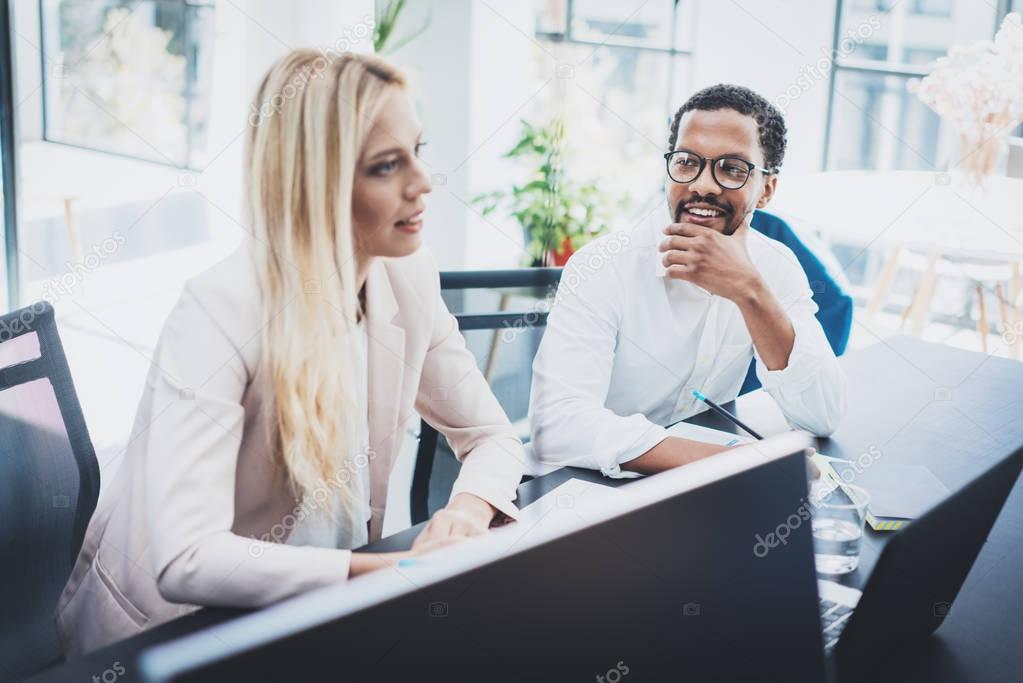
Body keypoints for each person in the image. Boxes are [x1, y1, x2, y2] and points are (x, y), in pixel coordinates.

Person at [56, 50, 525, 655]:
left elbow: (492, 435)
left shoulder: (405, 277)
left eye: (419, 150)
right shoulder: (218, 310)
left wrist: (467, 510)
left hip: (316, 612)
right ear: (317, 185)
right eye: (387, 166)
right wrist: (387, 574)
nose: (423, 181)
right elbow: (187, 559)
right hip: (172, 634)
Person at [529, 84, 846, 478]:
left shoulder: (775, 267)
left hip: (694, 490)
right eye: (686, 162)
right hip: (587, 484)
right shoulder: (603, 267)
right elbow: (556, 426)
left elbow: (822, 415)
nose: (703, 185)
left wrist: (750, 292)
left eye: (732, 168)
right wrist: (735, 464)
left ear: (766, 189)